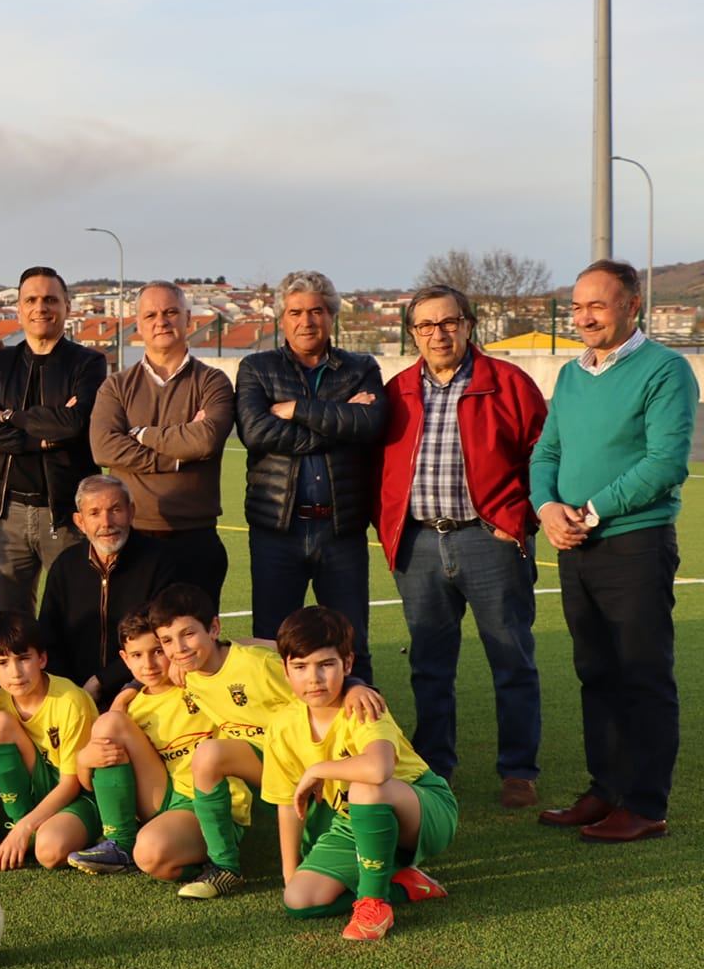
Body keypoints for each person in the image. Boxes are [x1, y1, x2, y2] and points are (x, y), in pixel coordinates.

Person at [532, 259, 697, 842]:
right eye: (578, 306)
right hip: (575, 545)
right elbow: (546, 452)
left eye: (597, 305)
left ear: (632, 307)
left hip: (634, 544)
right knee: (596, 673)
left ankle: (646, 803)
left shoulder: (666, 370)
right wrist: (548, 508)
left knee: (642, 674)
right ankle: (605, 790)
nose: (584, 317)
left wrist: (590, 510)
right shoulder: (574, 375)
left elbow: (666, 462)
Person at [377, 284, 547, 805]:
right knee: (430, 665)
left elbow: (544, 456)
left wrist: (518, 518)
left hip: (488, 540)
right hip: (421, 544)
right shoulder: (399, 389)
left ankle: (518, 769)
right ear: (412, 334)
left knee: (511, 658)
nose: (438, 334)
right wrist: (390, 526)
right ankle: (435, 768)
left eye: (448, 322)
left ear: (469, 325)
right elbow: (375, 467)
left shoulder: (509, 383)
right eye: (426, 326)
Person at [149, 583, 384, 899]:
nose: (179, 648)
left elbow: (312, 680)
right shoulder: (186, 671)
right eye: (167, 641)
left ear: (214, 627)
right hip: (267, 764)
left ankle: (388, 871)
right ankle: (225, 868)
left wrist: (355, 685)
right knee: (208, 755)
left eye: (188, 634)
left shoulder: (258, 665)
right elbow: (143, 667)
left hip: (311, 764)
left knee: (333, 857)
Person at [265, 606, 456, 941]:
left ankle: (374, 903)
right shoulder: (282, 725)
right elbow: (286, 804)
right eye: (300, 667)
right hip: (354, 822)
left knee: (367, 786)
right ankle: (402, 884)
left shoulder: (364, 706)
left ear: (348, 664)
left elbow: (379, 769)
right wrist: (289, 874)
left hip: (422, 809)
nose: (314, 678)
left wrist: (318, 769)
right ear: (285, 670)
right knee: (299, 900)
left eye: (326, 665)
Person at [234, 269, 385, 681]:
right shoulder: (256, 367)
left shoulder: (360, 367)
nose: (307, 321)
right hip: (277, 530)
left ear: (331, 315)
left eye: (316, 310)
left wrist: (297, 410)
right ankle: (282, 740)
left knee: (351, 645)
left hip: (341, 530)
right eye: (296, 312)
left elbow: (369, 424)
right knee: (274, 645)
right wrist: (340, 421)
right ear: (281, 318)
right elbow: (258, 432)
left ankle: (367, 735)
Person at [0, 266, 106, 616]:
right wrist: (38, 438)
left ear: (67, 307)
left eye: (50, 299)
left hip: (64, 513)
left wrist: (10, 415)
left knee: (75, 613)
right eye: (31, 299)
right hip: (6, 514)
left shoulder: (89, 362)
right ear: (18, 308)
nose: (40, 307)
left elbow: (75, 425)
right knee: (12, 622)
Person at [64, 611, 244, 882]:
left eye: (158, 651)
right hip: (165, 797)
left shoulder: (199, 678)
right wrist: (83, 760)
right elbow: (89, 785)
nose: (148, 664)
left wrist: (187, 661)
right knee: (108, 724)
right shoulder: (133, 707)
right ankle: (120, 844)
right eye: (137, 655)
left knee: (150, 852)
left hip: (212, 801)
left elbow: (239, 648)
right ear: (125, 658)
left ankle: (207, 855)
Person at [89, 281, 235, 604]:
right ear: (138, 324)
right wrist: (177, 455)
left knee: (196, 643)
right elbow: (104, 448)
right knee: (137, 644)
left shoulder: (213, 381)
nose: (161, 321)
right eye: (151, 314)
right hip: (133, 537)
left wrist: (141, 435)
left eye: (170, 312)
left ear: (188, 319)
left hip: (195, 538)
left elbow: (206, 440)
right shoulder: (115, 386)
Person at [0, 611, 100, 872]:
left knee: (49, 852)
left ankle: (28, 830)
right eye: (3, 663)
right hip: (34, 800)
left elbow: (72, 783)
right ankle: (19, 825)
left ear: (42, 658)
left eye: (23, 659)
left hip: (79, 796)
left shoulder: (70, 701)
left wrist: (25, 828)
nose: (15, 672)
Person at [37, 474, 186, 701]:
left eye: (115, 510)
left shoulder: (161, 561)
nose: (106, 523)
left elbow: (162, 637)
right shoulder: (65, 565)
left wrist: (101, 681)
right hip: (74, 694)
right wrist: (70, 691)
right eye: (94, 513)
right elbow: (49, 635)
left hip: (144, 689)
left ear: (131, 512)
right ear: (80, 521)